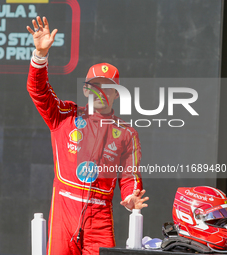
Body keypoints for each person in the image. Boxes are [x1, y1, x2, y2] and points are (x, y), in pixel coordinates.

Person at [26, 16, 149, 255]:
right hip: (64, 208)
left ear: (116, 94)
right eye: (95, 85)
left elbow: (129, 176)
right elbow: (38, 91)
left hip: (100, 216)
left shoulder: (126, 133)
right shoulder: (65, 115)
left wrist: (131, 196)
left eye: (108, 87)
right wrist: (40, 56)